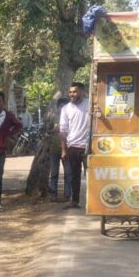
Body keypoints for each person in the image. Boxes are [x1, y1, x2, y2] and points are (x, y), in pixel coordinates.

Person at [59, 82, 90, 210]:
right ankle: (74, 201)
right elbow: (63, 130)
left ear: (82, 92)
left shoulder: (90, 104)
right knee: (74, 176)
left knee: (91, 175)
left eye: (75, 92)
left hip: (89, 147)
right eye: (70, 92)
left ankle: (94, 202)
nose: (72, 94)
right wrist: (63, 150)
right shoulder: (66, 109)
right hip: (73, 147)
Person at [48, 97, 71, 202]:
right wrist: (53, 130)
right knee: (54, 173)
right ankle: (53, 195)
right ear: (58, 107)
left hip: (67, 149)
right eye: (60, 106)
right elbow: (46, 130)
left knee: (68, 173)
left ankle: (67, 195)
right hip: (54, 149)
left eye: (64, 106)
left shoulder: (71, 117)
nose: (62, 108)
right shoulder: (53, 118)